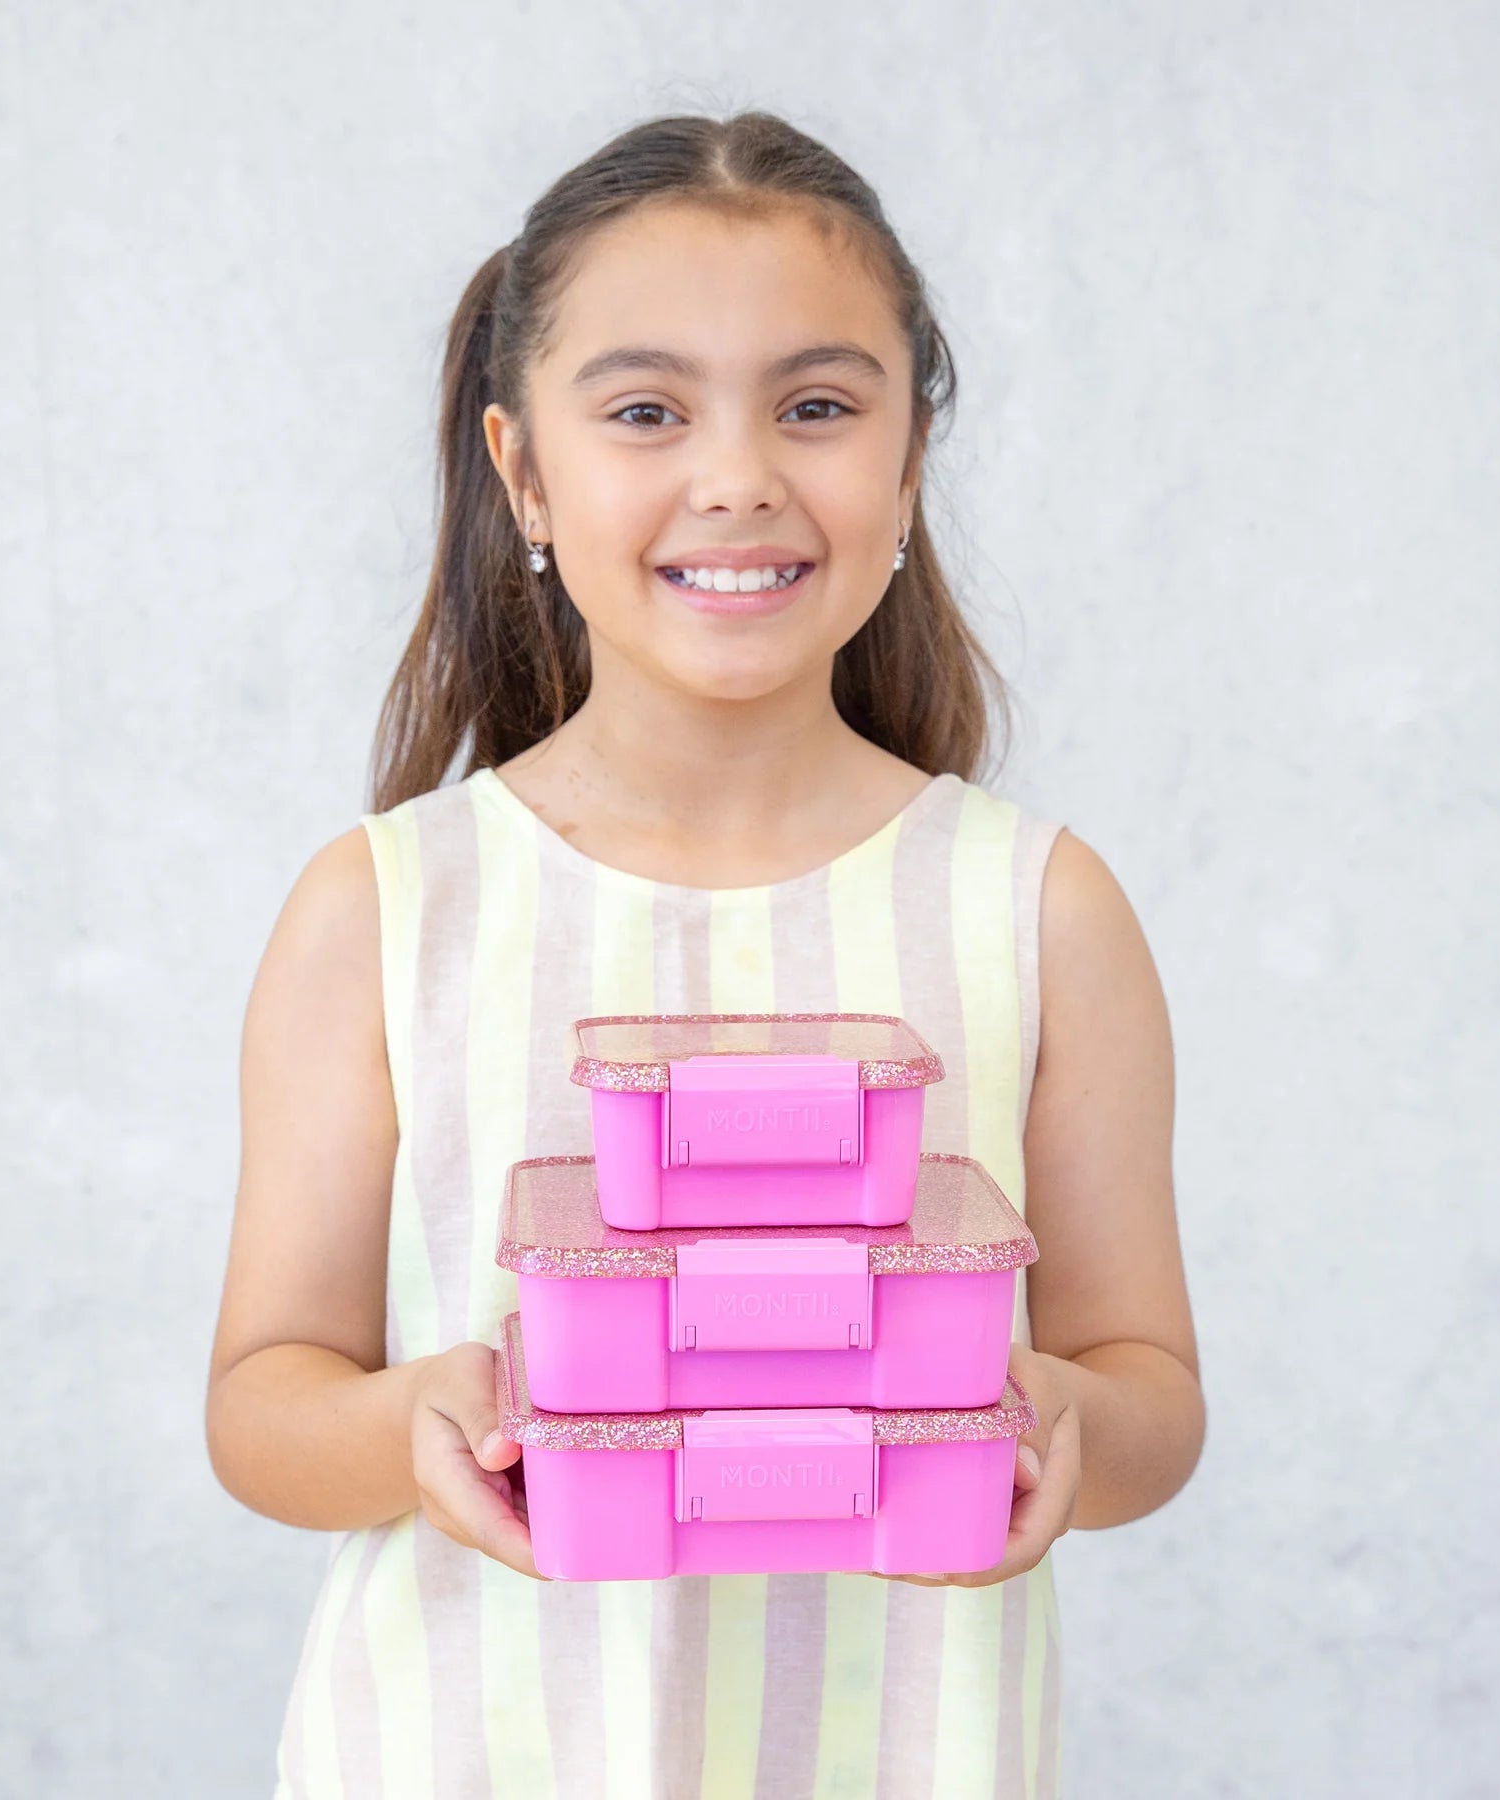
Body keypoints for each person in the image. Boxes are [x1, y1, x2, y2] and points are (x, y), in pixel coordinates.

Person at [205, 108, 1203, 1800]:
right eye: (647, 411)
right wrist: (413, 1419)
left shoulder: (1038, 908)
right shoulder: (385, 907)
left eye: (816, 406)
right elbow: (260, 1401)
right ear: (525, 470)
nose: (737, 477)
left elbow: (1151, 1391)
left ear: (908, 460)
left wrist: (1058, 1419)